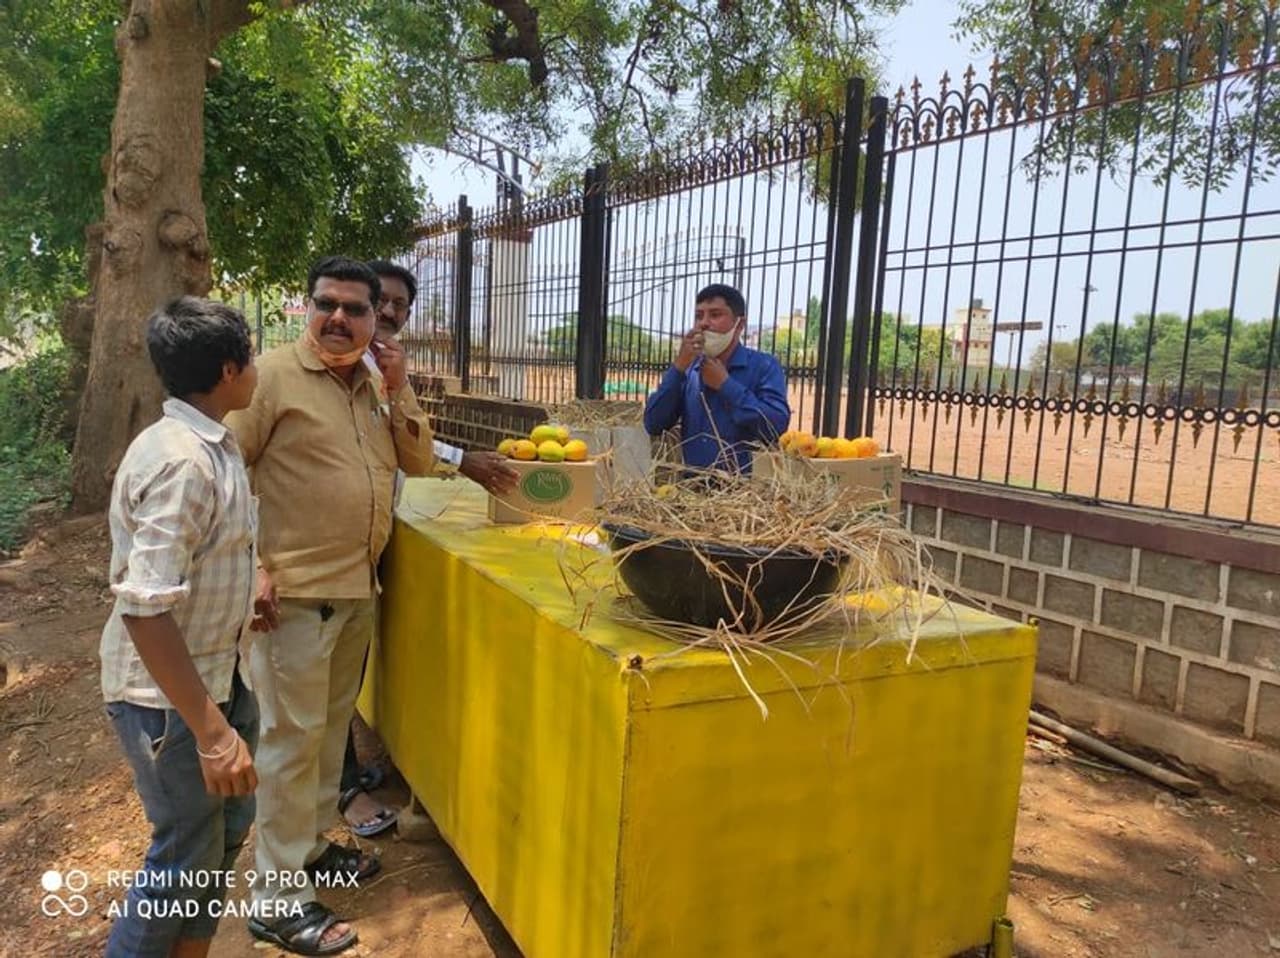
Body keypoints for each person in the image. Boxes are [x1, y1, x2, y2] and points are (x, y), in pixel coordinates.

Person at [227, 256, 441, 955]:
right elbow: (223, 473)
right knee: (289, 747)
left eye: (357, 308)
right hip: (288, 598)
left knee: (324, 739)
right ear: (307, 306)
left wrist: (402, 390)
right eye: (328, 304)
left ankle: (312, 850)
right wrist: (251, 566)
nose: (340, 318)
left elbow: (421, 463)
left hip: (355, 591)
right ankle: (276, 898)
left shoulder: (378, 382)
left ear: (381, 317)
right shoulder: (273, 379)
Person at [99, 298, 261, 958]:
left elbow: (201, 558)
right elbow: (145, 607)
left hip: (219, 673)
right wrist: (212, 731)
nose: (257, 370)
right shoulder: (184, 463)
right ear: (228, 370)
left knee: (218, 836)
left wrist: (253, 588)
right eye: (249, 357)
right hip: (172, 704)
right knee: (180, 862)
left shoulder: (211, 444)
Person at [334, 258, 517, 839]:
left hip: (369, 535)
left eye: (398, 307)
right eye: (378, 302)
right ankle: (335, 796)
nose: (388, 313)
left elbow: (414, 452)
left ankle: (351, 772)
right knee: (322, 675)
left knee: (350, 661)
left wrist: (401, 389)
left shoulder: (385, 372)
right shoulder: (327, 373)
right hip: (321, 546)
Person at [643, 283, 791, 472]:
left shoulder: (764, 367)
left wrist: (726, 385)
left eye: (715, 315)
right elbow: (654, 423)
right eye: (699, 316)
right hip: (693, 487)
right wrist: (678, 367)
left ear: (740, 324)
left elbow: (775, 427)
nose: (703, 323)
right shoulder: (689, 371)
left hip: (747, 492)